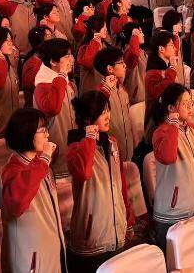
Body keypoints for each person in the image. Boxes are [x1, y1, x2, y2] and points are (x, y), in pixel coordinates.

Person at [66, 91, 133, 272]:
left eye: (108, 110)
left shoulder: (112, 142)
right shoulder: (75, 147)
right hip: (91, 239)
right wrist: (89, 138)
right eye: (102, 112)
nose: (108, 116)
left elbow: (120, 183)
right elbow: (84, 173)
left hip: (116, 231)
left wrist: (128, 215)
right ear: (88, 118)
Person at [1, 108, 66, 273]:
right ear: (26, 133)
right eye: (42, 130)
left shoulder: (40, 164)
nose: (47, 135)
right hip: (30, 260)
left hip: (50, 251)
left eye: (46, 130)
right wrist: (44, 159)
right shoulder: (13, 169)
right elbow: (17, 204)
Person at [151, 83, 194, 250]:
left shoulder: (192, 129)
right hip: (172, 215)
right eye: (185, 104)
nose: (190, 107)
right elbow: (168, 157)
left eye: (191, 102)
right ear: (171, 108)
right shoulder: (161, 132)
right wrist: (172, 123)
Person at [33, 39, 76, 179]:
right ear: (53, 62)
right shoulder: (42, 85)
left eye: (71, 55)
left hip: (71, 149)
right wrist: (62, 75)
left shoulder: (65, 81)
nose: (72, 59)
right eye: (67, 56)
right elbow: (53, 108)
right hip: (57, 156)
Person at [94, 47, 135, 162]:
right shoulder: (101, 93)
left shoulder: (122, 89)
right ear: (110, 68)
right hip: (112, 153)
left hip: (129, 150)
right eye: (121, 63)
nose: (125, 66)